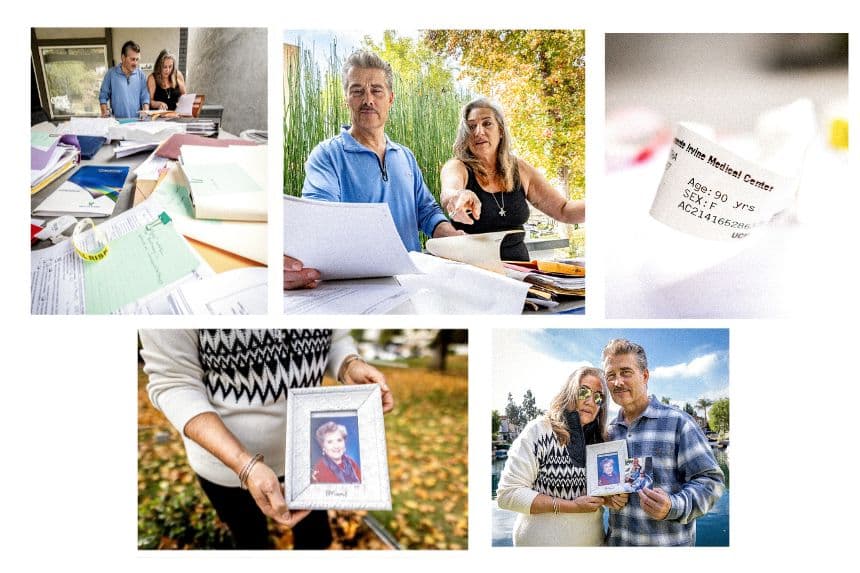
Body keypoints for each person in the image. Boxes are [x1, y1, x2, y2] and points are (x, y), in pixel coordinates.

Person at [140, 329, 394, 550]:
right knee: (250, 541)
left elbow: (336, 337)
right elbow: (173, 382)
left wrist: (349, 363)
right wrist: (244, 464)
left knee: (316, 539)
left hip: (310, 462)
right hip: (228, 472)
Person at [286, 50, 462, 290]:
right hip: (354, 287)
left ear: (390, 98)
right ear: (346, 98)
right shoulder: (327, 155)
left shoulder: (406, 156)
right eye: (357, 91)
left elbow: (427, 212)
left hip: (412, 282)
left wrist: (455, 240)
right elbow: (321, 220)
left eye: (376, 90)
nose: (368, 99)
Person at [602, 339, 724, 546]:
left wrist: (673, 505)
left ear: (645, 376)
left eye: (626, 372)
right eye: (611, 375)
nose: (617, 382)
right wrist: (608, 498)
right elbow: (606, 488)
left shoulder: (679, 422)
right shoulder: (609, 432)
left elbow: (711, 483)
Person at [440, 98, 586, 261]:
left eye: (487, 124)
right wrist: (458, 196)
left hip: (520, 274)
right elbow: (449, 192)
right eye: (472, 126)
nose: (478, 132)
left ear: (501, 130)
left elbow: (563, 210)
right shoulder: (457, 166)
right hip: (474, 274)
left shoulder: (520, 169)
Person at [496, 367, 627, 546]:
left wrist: (609, 499)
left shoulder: (601, 441)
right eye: (584, 392)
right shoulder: (539, 431)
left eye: (598, 397)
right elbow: (507, 495)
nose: (591, 401)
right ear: (569, 392)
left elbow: (597, 496)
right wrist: (572, 506)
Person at [99, 40, 149, 118]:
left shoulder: (141, 75)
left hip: (137, 122)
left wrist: (145, 112)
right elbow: (103, 96)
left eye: (137, 59)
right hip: (117, 123)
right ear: (123, 58)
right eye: (132, 59)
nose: (135, 63)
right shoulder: (111, 74)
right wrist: (104, 112)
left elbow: (145, 97)